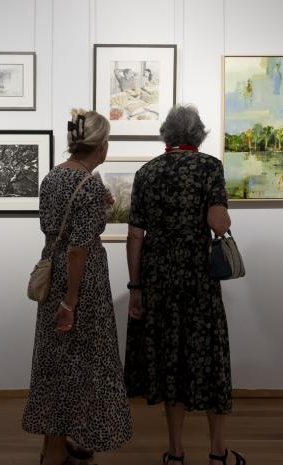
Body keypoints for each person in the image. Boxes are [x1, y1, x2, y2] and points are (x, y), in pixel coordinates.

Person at [124, 105, 246, 465]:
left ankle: (175, 453)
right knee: (209, 361)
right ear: (198, 135)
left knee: (170, 363)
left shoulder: (146, 172)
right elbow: (218, 224)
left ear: (166, 134)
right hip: (198, 280)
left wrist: (136, 287)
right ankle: (217, 452)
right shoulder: (210, 167)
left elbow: (134, 236)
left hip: (159, 279)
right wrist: (217, 212)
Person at [23, 109, 132, 465]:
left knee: (56, 363)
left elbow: (56, 229)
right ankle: (66, 446)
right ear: (99, 145)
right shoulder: (88, 184)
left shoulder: (52, 178)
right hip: (81, 287)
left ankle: (56, 445)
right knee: (86, 364)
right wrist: (71, 302)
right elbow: (78, 251)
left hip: (52, 275)